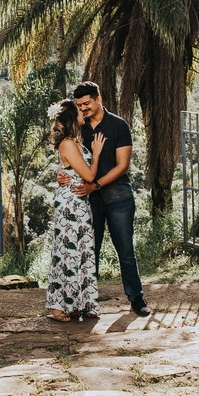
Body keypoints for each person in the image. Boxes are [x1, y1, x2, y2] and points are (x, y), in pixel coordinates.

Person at [62, 81, 151, 317]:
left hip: (118, 196)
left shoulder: (118, 125)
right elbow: (67, 155)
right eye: (79, 106)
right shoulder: (79, 127)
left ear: (98, 99)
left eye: (87, 104)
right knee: (90, 251)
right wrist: (62, 175)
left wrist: (96, 184)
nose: (83, 109)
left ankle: (136, 298)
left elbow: (123, 166)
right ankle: (87, 302)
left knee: (125, 250)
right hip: (88, 202)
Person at [45, 99, 106, 323]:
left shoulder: (76, 142)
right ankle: (58, 306)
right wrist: (97, 153)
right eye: (79, 110)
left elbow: (71, 170)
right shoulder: (69, 144)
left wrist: (61, 173)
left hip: (81, 204)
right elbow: (89, 176)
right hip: (70, 204)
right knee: (67, 253)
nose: (83, 112)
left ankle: (79, 304)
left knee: (82, 252)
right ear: (72, 117)